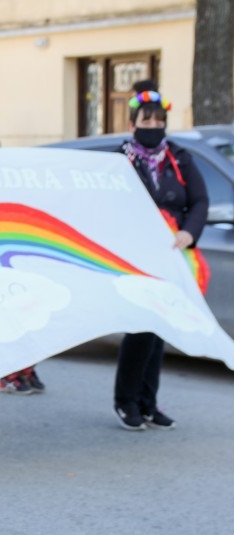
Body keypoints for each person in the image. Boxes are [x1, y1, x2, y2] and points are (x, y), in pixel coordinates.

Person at [113, 90, 208, 431]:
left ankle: (148, 403)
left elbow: (199, 201)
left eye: (159, 120)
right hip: (135, 257)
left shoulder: (179, 159)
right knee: (140, 327)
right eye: (146, 120)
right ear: (132, 124)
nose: (154, 125)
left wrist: (188, 232)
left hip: (170, 256)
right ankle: (126, 401)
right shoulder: (119, 161)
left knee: (160, 328)